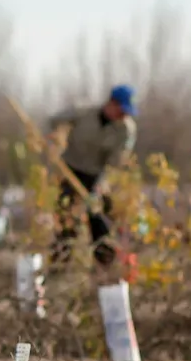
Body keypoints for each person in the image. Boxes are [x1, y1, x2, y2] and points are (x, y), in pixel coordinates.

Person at [47, 84, 138, 267]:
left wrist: (100, 185)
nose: (123, 116)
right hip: (70, 167)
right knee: (66, 213)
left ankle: (105, 261)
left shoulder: (126, 130)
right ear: (111, 104)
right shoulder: (84, 113)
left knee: (96, 214)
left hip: (97, 173)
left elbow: (116, 161)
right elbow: (54, 120)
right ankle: (61, 260)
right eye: (121, 111)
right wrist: (55, 139)